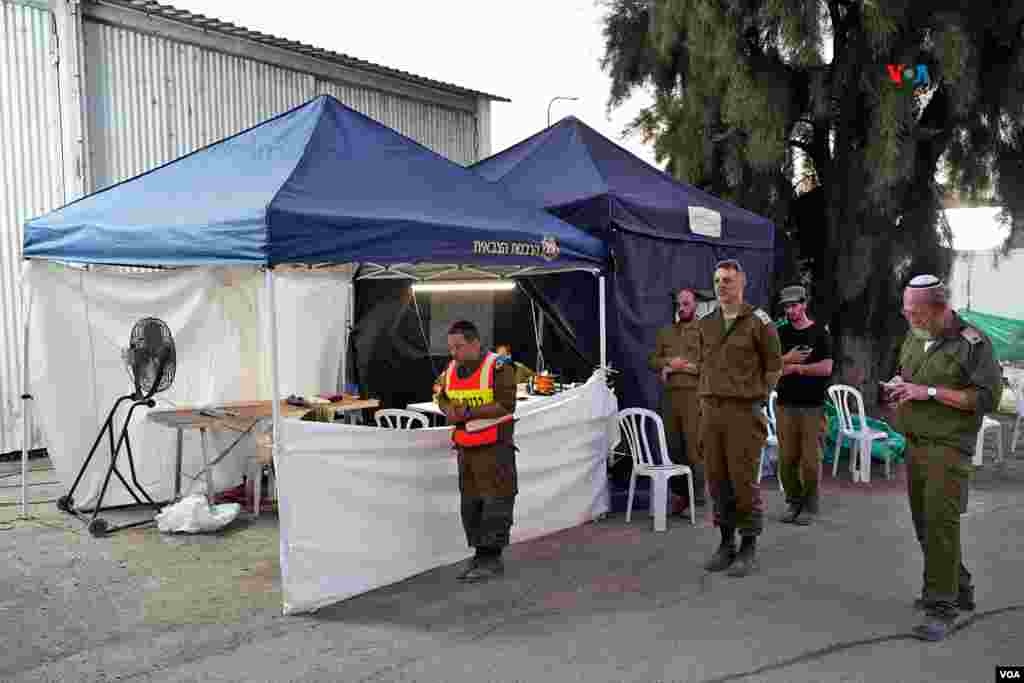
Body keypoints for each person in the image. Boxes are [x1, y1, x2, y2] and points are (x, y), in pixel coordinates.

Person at [883, 274, 1002, 641]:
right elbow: (909, 375)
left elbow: (986, 398)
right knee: (924, 524)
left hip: (948, 447)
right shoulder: (916, 335)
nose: (910, 319)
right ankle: (958, 586)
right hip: (916, 443)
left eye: (916, 313)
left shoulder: (972, 343)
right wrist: (900, 388)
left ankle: (942, 607)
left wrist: (929, 391)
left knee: (940, 524)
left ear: (940, 308)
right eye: (906, 312)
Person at [696, 259, 782, 577]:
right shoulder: (706, 323)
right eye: (718, 280)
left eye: (728, 280)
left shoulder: (759, 322)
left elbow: (774, 366)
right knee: (717, 480)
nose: (722, 286)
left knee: (743, 481)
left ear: (742, 282)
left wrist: (757, 396)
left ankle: (748, 546)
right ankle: (725, 543)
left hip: (744, 412)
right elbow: (702, 363)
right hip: (711, 411)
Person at [434, 321, 518, 582]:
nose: (453, 352)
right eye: (450, 347)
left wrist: (468, 413)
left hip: (494, 448)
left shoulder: (499, 366)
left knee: (496, 500)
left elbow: (506, 404)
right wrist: (449, 410)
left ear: (475, 343)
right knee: (471, 503)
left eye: (458, 347)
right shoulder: (450, 370)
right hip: (466, 447)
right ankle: (480, 554)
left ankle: (492, 558)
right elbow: (441, 395)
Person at [775, 285, 834, 525]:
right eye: (787, 307)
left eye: (794, 305)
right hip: (785, 405)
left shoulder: (820, 333)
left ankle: (810, 505)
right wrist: (785, 362)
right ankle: (793, 502)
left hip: (812, 406)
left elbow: (827, 368)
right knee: (786, 459)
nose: (791, 310)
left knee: (810, 460)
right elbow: (768, 367)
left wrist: (797, 368)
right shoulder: (780, 334)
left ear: (804, 304)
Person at [647, 288, 706, 512]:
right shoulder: (666, 332)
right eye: (679, 305)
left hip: (693, 396)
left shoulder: (704, 331)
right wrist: (668, 363)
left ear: (695, 305)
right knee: (673, 448)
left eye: (686, 304)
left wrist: (684, 367)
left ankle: (698, 496)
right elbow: (652, 361)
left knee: (693, 448)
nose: (682, 308)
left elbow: (711, 365)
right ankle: (681, 496)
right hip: (670, 398)